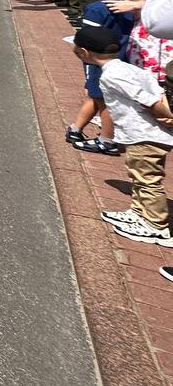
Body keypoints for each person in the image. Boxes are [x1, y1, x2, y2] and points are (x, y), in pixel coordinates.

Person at [74, 25, 173, 248]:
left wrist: (167, 116)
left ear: (85, 53)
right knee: (138, 177)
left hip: (144, 135)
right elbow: (157, 90)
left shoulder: (113, 75)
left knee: (148, 180)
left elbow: (148, 100)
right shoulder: (129, 69)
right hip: (140, 135)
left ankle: (156, 225)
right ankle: (139, 212)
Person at [67, 0, 133, 154]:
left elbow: (87, 35)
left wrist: (77, 48)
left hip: (98, 59)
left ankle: (107, 139)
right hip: (119, 55)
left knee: (105, 100)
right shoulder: (125, 6)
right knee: (95, 95)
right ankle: (75, 129)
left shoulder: (95, 10)